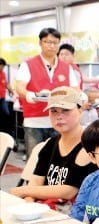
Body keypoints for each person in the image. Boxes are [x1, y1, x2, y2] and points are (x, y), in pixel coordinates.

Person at [10, 86, 97, 212]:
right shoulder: (50, 144)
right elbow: (36, 180)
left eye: (66, 110)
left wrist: (23, 191)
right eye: (54, 111)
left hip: (78, 215)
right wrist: (29, 204)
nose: (59, 116)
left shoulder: (89, 145)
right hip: (46, 211)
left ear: (80, 110)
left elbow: (69, 191)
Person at [15, 28, 80, 156]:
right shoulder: (28, 64)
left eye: (55, 43)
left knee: (58, 159)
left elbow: (75, 89)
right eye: (47, 42)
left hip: (60, 121)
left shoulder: (66, 67)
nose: (51, 46)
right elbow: (19, 87)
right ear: (40, 43)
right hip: (34, 121)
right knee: (35, 159)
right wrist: (31, 95)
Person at [0, 58, 14, 135]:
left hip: (2, 98)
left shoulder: (3, 73)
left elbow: (6, 84)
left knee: (6, 113)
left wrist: (11, 91)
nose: (2, 68)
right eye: (1, 66)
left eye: (3, 66)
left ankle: (6, 131)